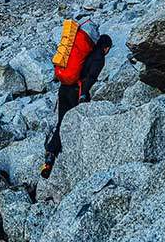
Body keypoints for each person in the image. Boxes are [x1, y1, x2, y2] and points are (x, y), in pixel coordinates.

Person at [41, 31, 113, 179]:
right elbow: (90, 78)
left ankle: (50, 155)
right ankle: (72, 156)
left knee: (62, 122)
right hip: (76, 92)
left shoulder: (86, 51)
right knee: (75, 124)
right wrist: (83, 96)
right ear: (106, 48)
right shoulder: (99, 58)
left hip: (64, 88)